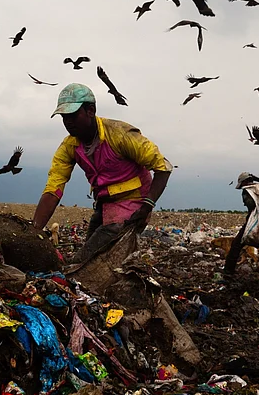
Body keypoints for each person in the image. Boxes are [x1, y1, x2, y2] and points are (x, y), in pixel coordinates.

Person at [31, 84, 173, 264]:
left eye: (73, 115)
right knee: (90, 251)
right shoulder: (69, 147)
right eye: (64, 117)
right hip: (105, 203)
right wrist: (34, 231)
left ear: (91, 110)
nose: (68, 122)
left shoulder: (120, 134)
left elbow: (163, 167)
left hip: (134, 202)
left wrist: (147, 205)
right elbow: (53, 189)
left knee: (87, 258)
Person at [224, 165, 259, 278]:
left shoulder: (249, 191)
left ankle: (228, 271)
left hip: (252, 222)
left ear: (245, 181)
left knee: (236, 245)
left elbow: (250, 204)